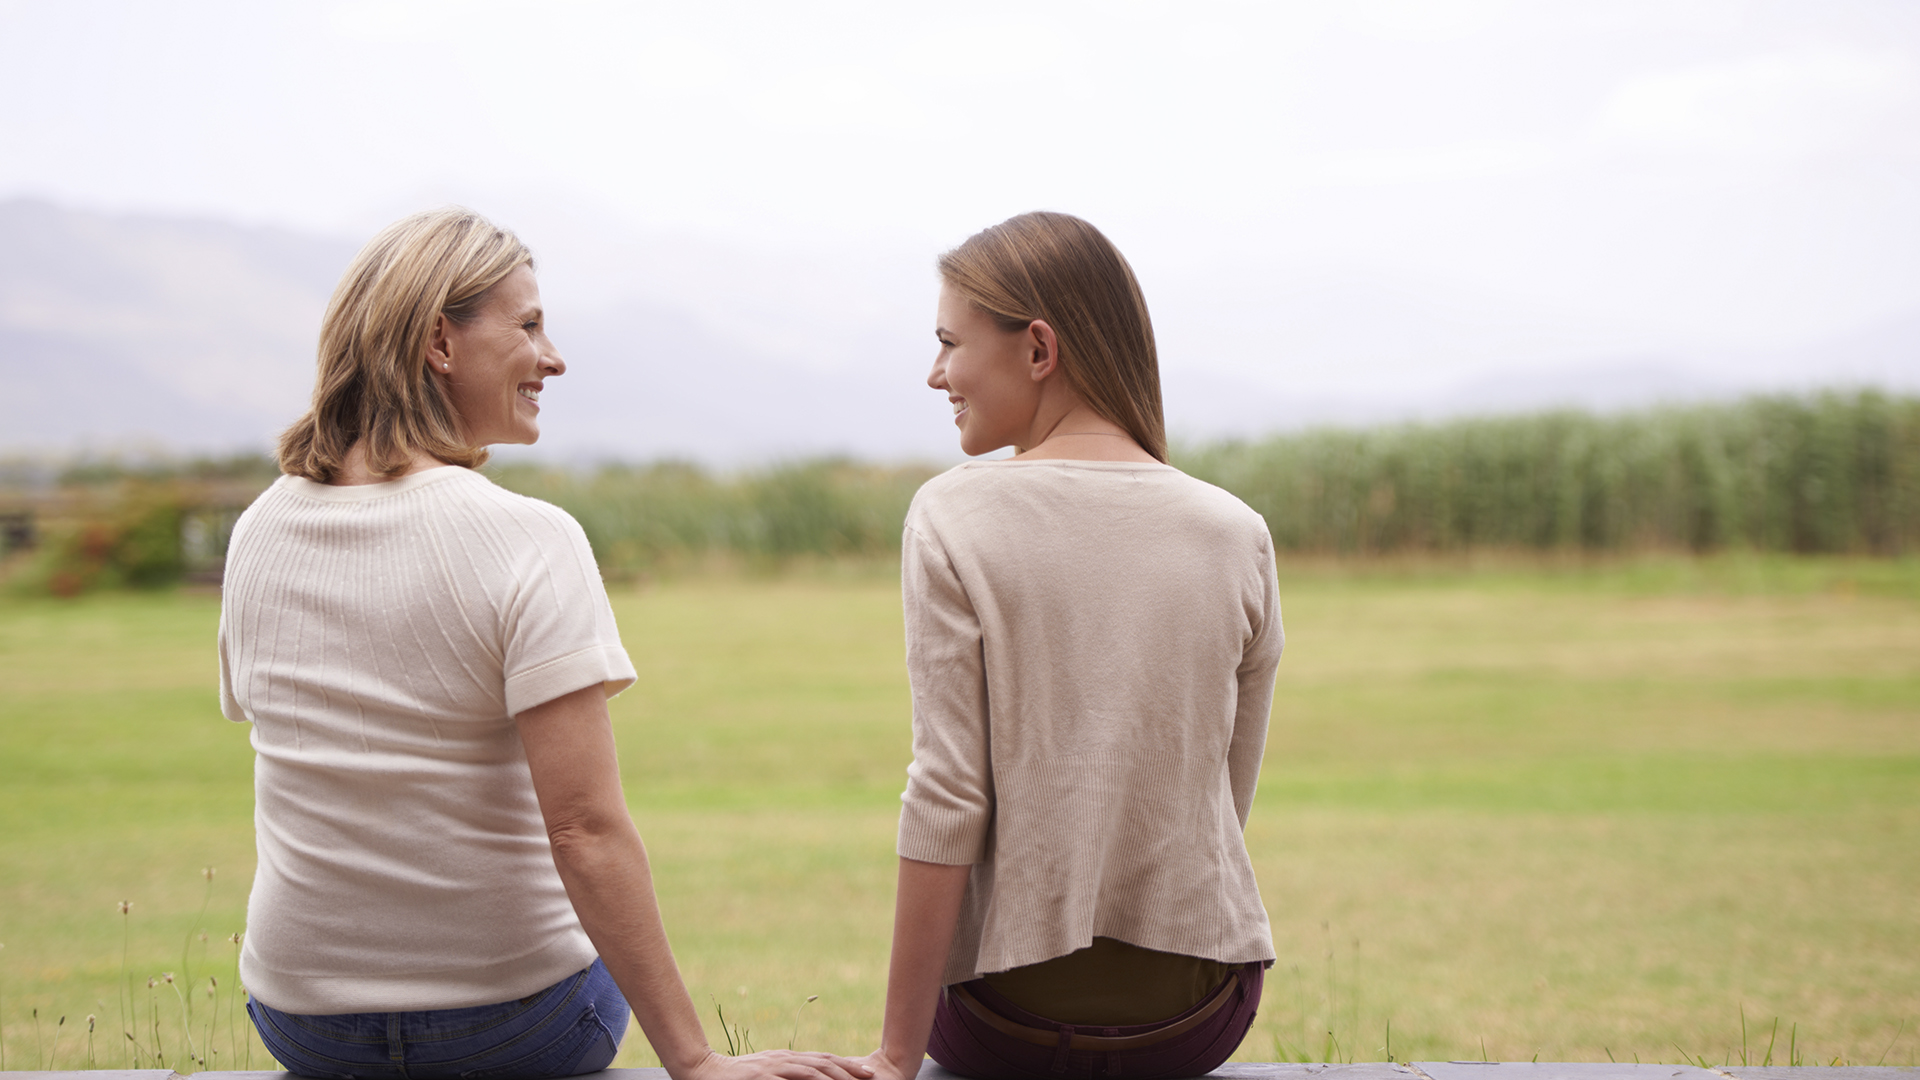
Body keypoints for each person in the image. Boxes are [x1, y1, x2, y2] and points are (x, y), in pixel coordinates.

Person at [218, 207, 872, 1080]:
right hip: (510, 1027)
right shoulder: (528, 537)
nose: (553, 356)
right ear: (438, 344)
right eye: (527, 326)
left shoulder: (260, 527)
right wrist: (697, 1061)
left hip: (304, 1023)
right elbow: (585, 829)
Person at [859, 212, 1285, 1080]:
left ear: (1039, 349)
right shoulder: (1235, 531)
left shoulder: (952, 513)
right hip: (1201, 1014)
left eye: (949, 342)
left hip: (1005, 1018)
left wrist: (896, 1057)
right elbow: (1221, 804)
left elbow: (946, 793)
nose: (936, 373)